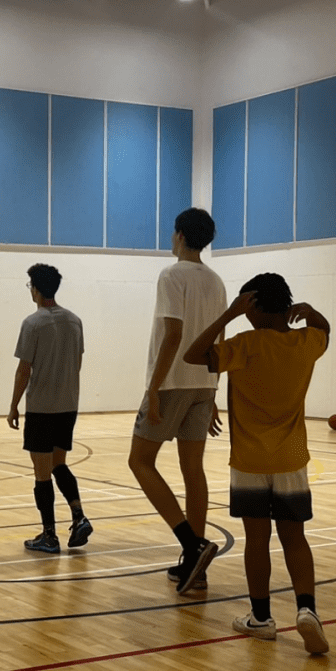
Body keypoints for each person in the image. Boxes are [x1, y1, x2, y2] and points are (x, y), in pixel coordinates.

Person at [183, 272, 331, 654]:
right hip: (291, 459)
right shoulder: (306, 341)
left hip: (249, 461)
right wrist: (311, 312)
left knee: (257, 539)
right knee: (295, 538)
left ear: (253, 306)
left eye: (246, 306)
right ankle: (307, 610)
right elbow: (326, 330)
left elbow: (193, 354)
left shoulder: (245, 344)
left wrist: (227, 316)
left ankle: (261, 618)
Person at [128, 208, 227, 594]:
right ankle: (195, 569)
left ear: (181, 235)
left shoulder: (171, 275)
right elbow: (219, 340)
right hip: (204, 384)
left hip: (172, 384)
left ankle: (191, 544)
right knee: (193, 469)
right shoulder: (216, 281)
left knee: (139, 461)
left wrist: (154, 388)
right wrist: (213, 388)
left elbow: (173, 334)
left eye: (173, 233)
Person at [8, 264, 90, 554]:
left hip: (41, 408)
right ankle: (79, 516)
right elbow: (78, 362)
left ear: (36, 289)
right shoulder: (75, 321)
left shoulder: (33, 323)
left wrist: (13, 406)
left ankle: (49, 535)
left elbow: (24, 370)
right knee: (59, 464)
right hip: (68, 406)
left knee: (41, 473)